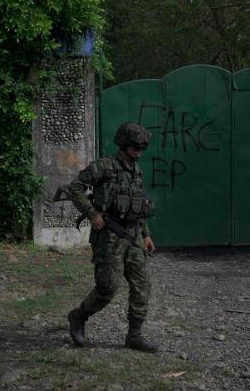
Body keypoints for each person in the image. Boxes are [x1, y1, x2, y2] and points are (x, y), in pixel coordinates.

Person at [66, 122, 158, 352]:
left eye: (142, 148)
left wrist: (146, 234)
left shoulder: (138, 170)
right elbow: (75, 187)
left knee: (142, 284)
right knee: (107, 288)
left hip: (133, 235)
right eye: (135, 147)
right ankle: (79, 316)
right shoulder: (104, 166)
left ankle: (134, 336)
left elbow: (138, 205)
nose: (139, 152)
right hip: (109, 235)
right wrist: (91, 213)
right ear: (124, 144)